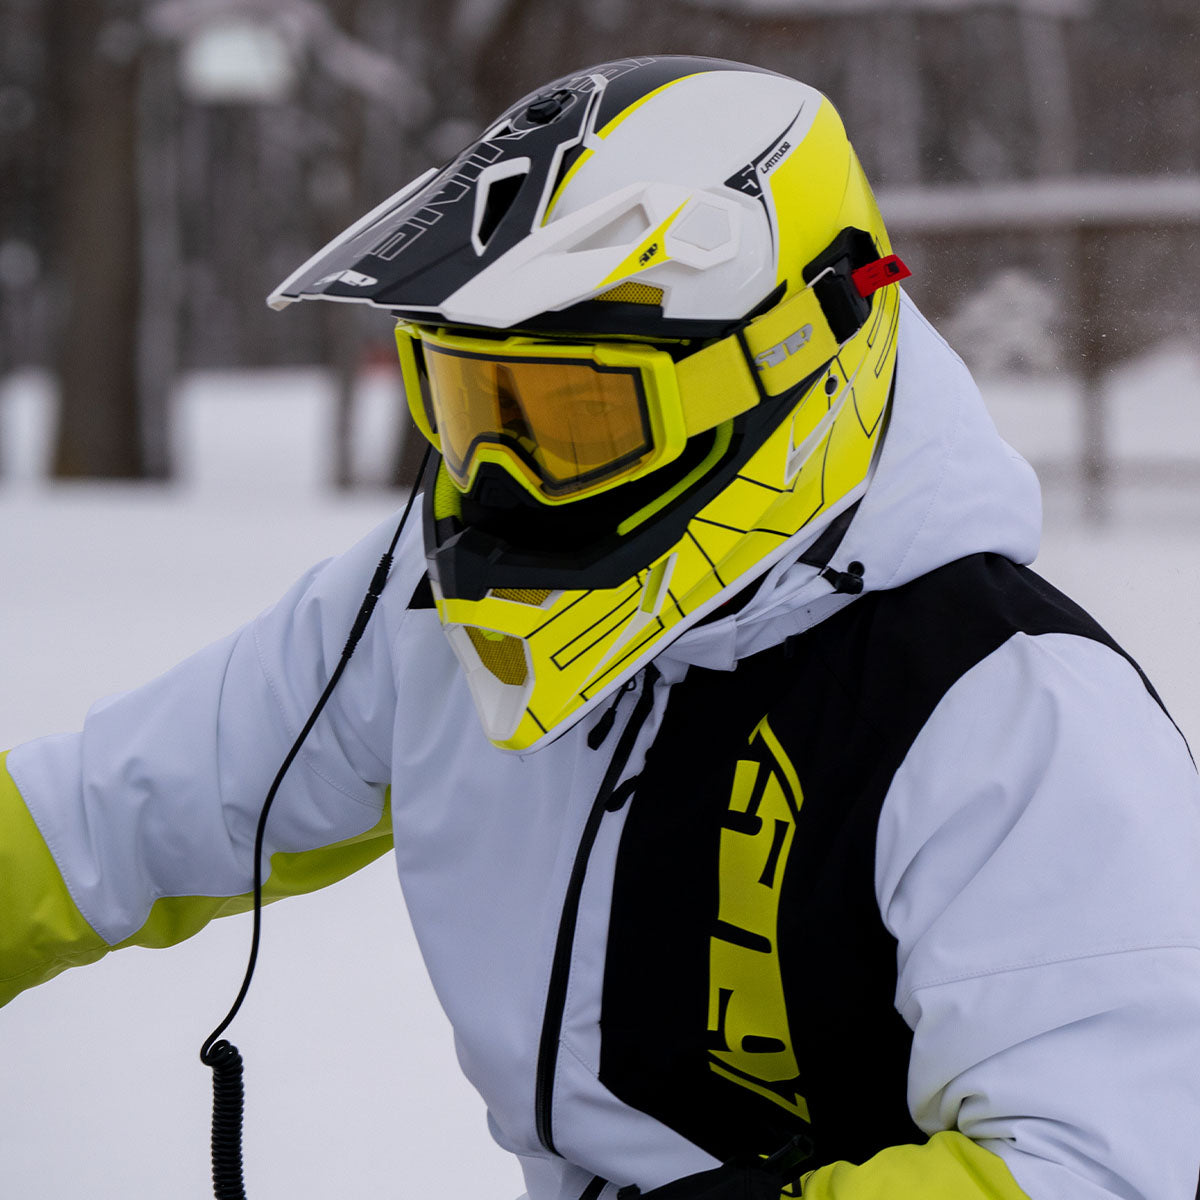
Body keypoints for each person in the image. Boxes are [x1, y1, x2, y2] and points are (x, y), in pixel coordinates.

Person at [4, 54, 1200, 1200]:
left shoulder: (1009, 712)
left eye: (574, 418)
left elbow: (1104, 1166)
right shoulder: (429, 604)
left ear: (782, 367)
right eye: (472, 406)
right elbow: (117, 807)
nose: (508, 477)